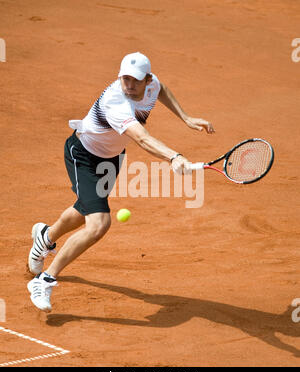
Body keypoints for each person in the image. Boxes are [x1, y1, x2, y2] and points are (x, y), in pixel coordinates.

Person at [27, 52, 215, 312]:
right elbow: (142, 138)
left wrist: (186, 117)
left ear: (147, 79)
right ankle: (45, 280)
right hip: (83, 154)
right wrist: (174, 156)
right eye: (125, 78)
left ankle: (45, 236)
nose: (129, 85)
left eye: (136, 80)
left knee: (84, 211)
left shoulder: (151, 84)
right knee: (99, 223)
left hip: (111, 159)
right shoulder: (116, 101)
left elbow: (162, 90)